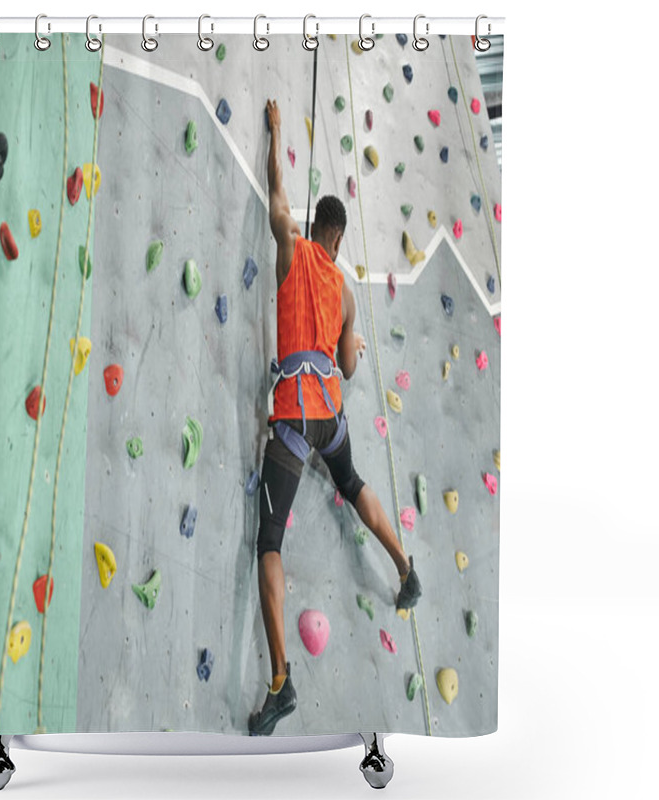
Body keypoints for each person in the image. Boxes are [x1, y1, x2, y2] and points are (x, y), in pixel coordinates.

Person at [248, 100, 422, 737]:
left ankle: (280, 683)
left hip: (294, 416)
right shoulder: (346, 289)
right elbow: (349, 368)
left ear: (309, 226)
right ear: (340, 237)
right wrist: (349, 343)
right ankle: (406, 572)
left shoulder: (290, 250)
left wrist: (277, 130)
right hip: (331, 414)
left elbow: (276, 187)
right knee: (353, 486)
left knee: (270, 541)